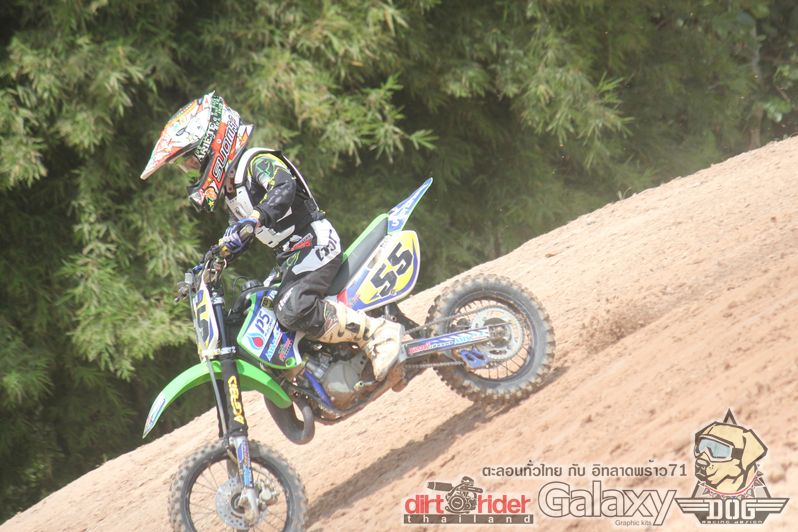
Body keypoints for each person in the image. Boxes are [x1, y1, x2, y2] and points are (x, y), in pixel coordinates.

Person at [140, 92, 401, 381]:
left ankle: (378, 333)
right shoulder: (232, 190)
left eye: (189, 159)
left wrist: (257, 217)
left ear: (210, 146)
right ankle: (316, 374)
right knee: (261, 312)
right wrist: (216, 257)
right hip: (293, 256)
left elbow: (283, 187)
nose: (188, 168)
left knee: (291, 308)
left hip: (315, 243)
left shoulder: (256, 161)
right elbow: (239, 233)